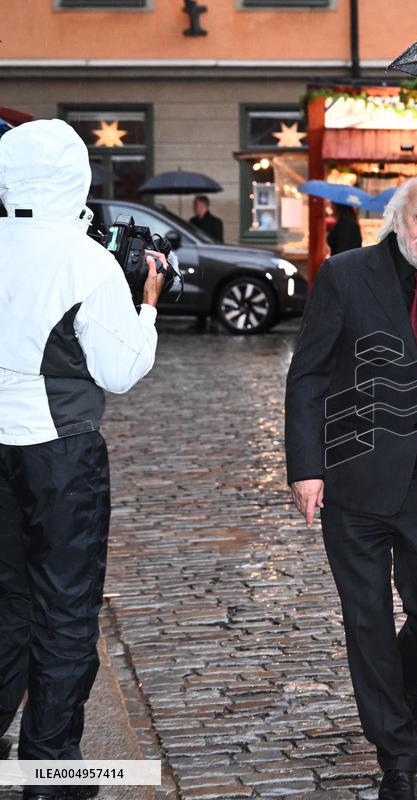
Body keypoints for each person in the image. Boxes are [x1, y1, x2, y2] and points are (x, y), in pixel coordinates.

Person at [284, 174, 417, 800]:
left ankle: (394, 689)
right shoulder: (344, 275)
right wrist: (306, 467)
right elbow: (309, 375)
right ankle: (397, 756)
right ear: (397, 219)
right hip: (356, 483)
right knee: (367, 621)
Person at [0, 119, 166, 800]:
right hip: (59, 455)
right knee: (65, 611)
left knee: (7, 603)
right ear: (76, 177)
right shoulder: (85, 260)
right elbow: (122, 370)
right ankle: (50, 768)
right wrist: (148, 304)